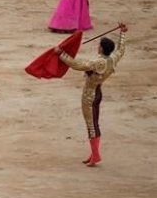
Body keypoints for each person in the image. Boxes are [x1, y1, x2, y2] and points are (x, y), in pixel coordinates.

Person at [54, 22, 127, 166]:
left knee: (91, 125)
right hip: (97, 92)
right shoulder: (112, 59)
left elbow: (78, 65)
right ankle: (94, 154)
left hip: (90, 96)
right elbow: (121, 50)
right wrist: (123, 33)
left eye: (99, 45)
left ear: (102, 49)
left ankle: (96, 156)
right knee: (93, 124)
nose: (97, 46)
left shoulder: (100, 63)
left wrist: (61, 54)